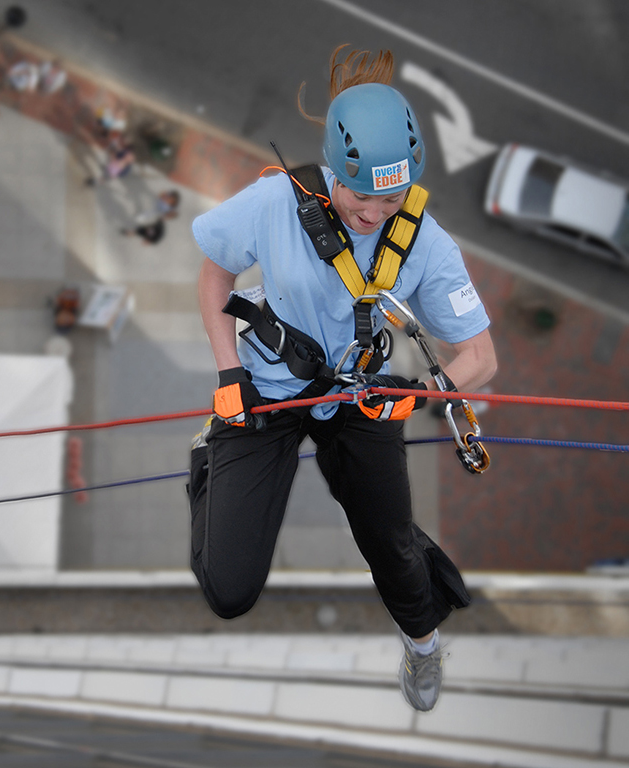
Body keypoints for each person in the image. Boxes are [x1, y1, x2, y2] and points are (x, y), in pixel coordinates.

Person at [188, 46, 497, 712]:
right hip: (268, 386)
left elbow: (479, 355)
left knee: (388, 543)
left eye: (391, 195)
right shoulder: (276, 202)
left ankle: (421, 646)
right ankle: (206, 461)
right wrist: (227, 373)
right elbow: (215, 273)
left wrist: (411, 403)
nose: (374, 211)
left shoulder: (424, 241)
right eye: (361, 194)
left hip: (364, 396)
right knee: (228, 590)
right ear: (333, 170)